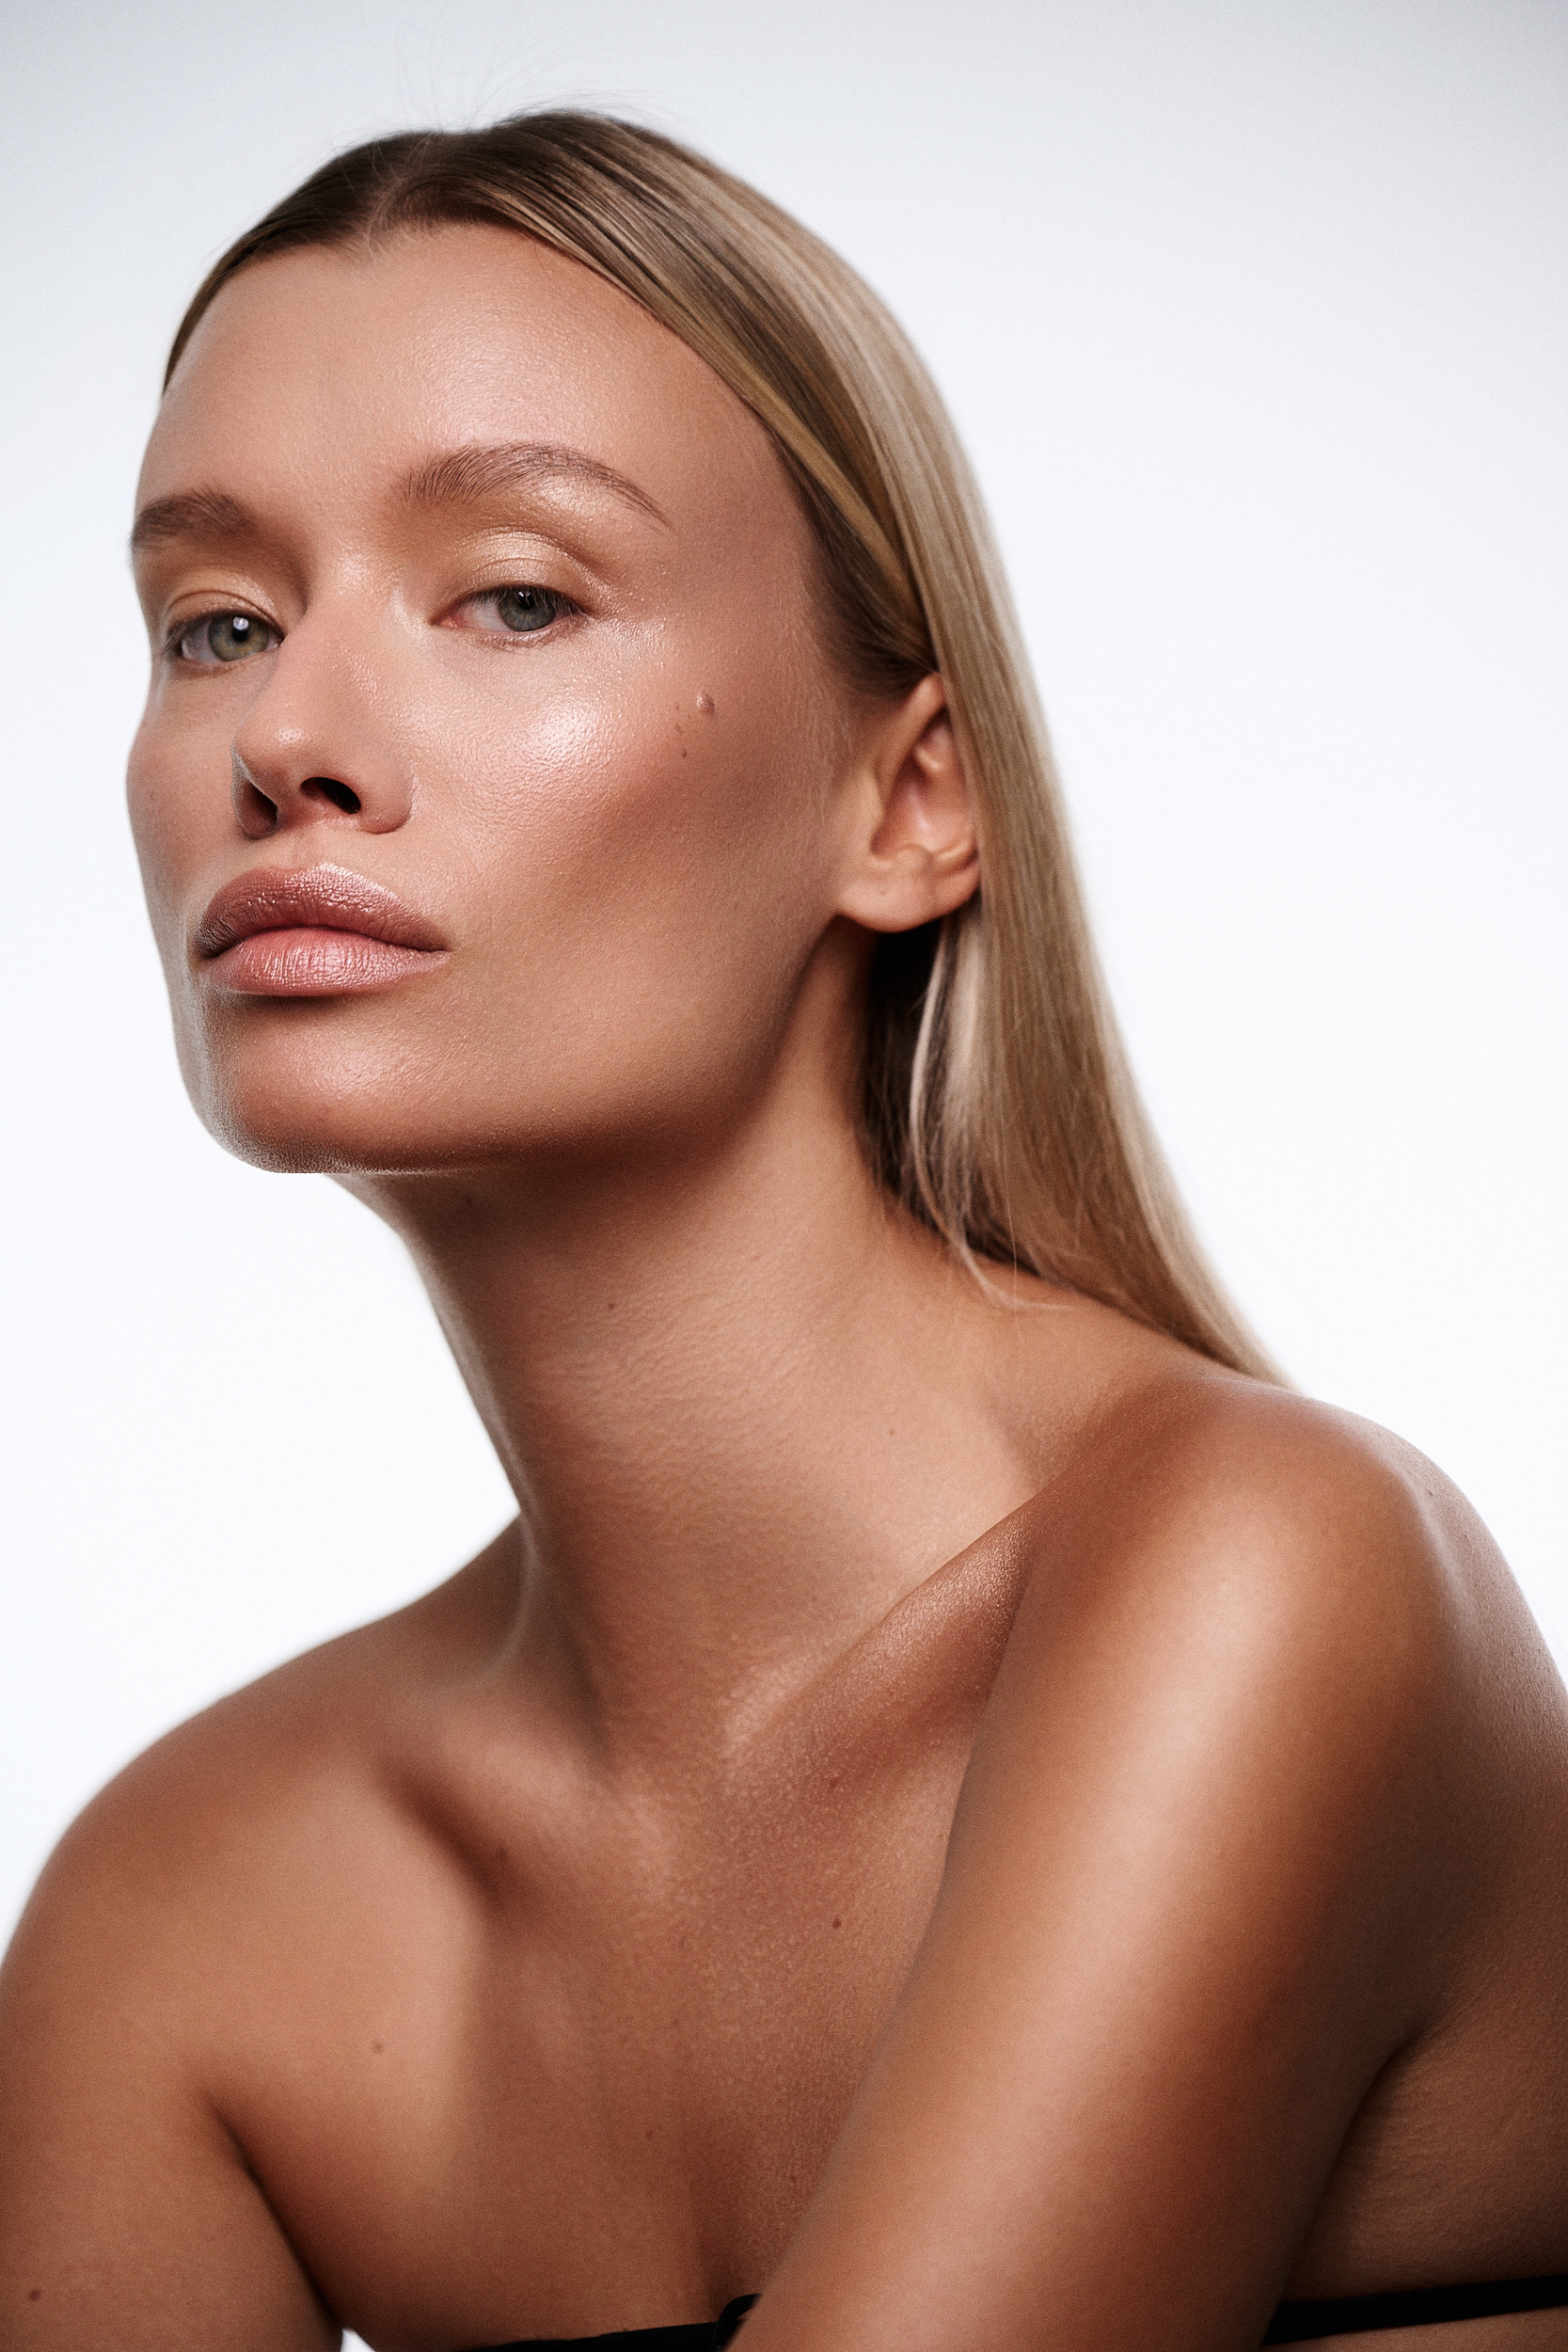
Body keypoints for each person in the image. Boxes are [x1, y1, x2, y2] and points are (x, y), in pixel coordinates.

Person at [1, 110, 1564, 2352]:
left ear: (908, 798)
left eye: (515, 594)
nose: (291, 737)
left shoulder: (1258, 1571)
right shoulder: (186, 1910)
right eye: (217, 621)